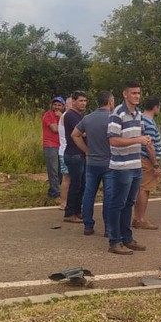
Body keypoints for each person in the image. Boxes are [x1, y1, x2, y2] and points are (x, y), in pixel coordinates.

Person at [106, 81, 154, 255]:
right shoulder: (117, 113)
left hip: (136, 165)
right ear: (125, 94)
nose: (137, 96)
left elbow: (139, 135)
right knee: (117, 203)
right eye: (133, 93)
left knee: (129, 203)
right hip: (121, 166)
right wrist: (138, 140)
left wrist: (145, 140)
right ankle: (114, 241)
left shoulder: (138, 114)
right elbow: (113, 140)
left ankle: (127, 238)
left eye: (139, 93)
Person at [71, 90, 115, 236]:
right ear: (110, 102)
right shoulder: (113, 118)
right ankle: (109, 228)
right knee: (108, 196)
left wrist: (86, 150)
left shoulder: (88, 118)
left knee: (89, 193)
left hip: (92, 162)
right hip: (109, 162)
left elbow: (74, 134)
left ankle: (88, 225)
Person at [132, 96, 161, 230]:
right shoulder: (149, 122)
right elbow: (150, 145)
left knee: (140, 189)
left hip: (140, 158)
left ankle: (137, 217)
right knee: (145, 189)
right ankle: (141, 219)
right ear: (156, 107)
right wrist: (155, 164)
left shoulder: (140, 118)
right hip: (146, 160)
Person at [61, 91, 89, 223]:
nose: (83, 103)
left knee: (82, 185)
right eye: (80, 101)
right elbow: (81, 133)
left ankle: (77, 211)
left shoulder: (80, 115)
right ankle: (69, 212)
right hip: (74, 154)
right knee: (75, 185)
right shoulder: (70, 115)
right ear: (73, 101)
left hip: (80, 154)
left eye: (84, 101)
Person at [41, 97, 64, 203]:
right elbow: (55, 129)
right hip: (50, 145)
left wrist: (62, 117)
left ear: (63, 106)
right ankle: (56, 194)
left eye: (59, 105)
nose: (57, 107)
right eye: (55, 105)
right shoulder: (48, 115)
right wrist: (63, 119)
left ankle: (52, 191)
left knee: (60, 171)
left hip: (60, 146)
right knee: (53, 170)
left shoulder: (63, 116)